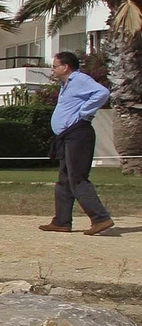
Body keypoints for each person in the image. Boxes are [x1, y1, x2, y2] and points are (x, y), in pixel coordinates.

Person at [39, 51, 114, 236]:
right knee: (64, 179)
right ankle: (61, 221)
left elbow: (103, 92)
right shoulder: (66, 85)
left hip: (78, 134)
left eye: (55, 66)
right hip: (68, 136)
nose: (52, 69)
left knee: (77, 177)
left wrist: (85, 111)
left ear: (65, 67)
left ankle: (101, 218)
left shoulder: (80, 79)